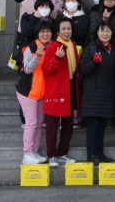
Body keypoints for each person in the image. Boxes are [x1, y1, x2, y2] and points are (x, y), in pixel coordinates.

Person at [42, 17, 80, 167]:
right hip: (56, 90)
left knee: (68, 124)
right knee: (52, 125)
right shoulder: (53, 47)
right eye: (63, 29)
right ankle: (52, 154)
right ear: (57, 31)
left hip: (70, 88)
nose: (66, 31)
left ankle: (63, 153)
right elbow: (45, 69)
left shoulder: (73, 45)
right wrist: (56, 58)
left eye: (69, 28)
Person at [79, 22, 115, 165]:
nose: (105, 33)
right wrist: (94, 63)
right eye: (102, 31)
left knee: (102, 126)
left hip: (107, 93)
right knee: (93, 126)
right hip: (93, 94)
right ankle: (91, 153)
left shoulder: (114, 50)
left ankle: (100, 152)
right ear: (97, 33)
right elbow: (83, 69)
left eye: (108, 31)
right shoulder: (91, 48)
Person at [16, 20, 53, 164]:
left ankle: (35, 152)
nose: (45, 34)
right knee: (31, 123)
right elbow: (27, 69)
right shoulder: (30, 47)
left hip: (42, 92)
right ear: (37, 33)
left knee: (38, 123)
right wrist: (37, 56)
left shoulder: (52, 47)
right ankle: (27, 153)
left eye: (48, 31)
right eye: (42, 31)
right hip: (28, 91)